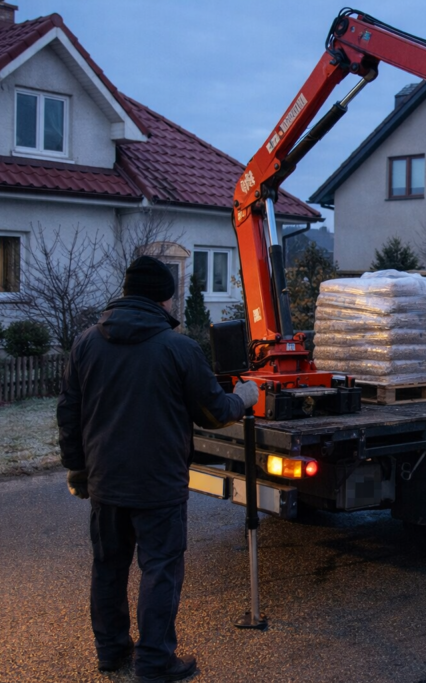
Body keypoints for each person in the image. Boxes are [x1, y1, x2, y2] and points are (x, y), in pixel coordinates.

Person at [58, 256, 259, 683]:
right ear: (164, 298)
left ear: (127, 292)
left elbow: (69, 412)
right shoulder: (179, 348)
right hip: (158, 485)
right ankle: (154, 662)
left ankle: (111, 652)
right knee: (161, 568)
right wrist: (245, 396)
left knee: (108, 568)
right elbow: (213, 412)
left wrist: (77, 469)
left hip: (105, 482)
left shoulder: (86, 342)